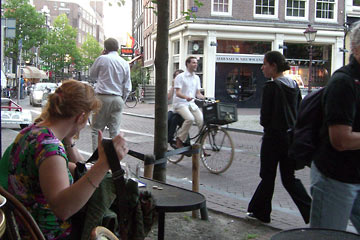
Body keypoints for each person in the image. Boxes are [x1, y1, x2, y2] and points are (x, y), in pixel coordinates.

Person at [1, 79, 128, 239]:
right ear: (81, 117)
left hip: (21, 227)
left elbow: (71, 168)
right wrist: (103, 165)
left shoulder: (31, 133)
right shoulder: (50, 148)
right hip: (46, 234)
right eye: (87, 118)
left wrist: (68, 138)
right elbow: (63, 209)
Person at [247, 51, 311, 224]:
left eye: (265, 64)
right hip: (290, 138)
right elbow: (299, 110)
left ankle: (262, 212)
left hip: (273, 138)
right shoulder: (294, 85)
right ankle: (311, 211)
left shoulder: (271, 87)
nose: (262, 68)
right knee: (289, 179)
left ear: (273, 66)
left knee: (268, 176)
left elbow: (264, 118)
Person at [309, 22, 360, 233]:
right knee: (328, 236)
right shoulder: (343, 83)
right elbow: (340, 140)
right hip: (336, 178)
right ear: (357, 49)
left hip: (355, 173)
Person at [90, 37, 132, 151]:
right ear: (118, 48)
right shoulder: (124, 63)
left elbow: (92, 75)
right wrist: (122, 99)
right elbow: (127, 86)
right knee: (115, 132)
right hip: (117, 98)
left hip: (102, 97)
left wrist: (101, 56)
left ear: (105, 48)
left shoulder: (102, 59)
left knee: (96, 130)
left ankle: (97, 159)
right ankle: (114, 161)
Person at [173, 56, 205, 149]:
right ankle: (179, 139)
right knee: (190, 119)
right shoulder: (180, 77)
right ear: (188, 64)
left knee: (201, 121)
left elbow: (198, 94)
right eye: (193, 62)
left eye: (196, 62)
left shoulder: (196, 78)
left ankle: (200, 146)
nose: (196, 64)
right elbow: (178, 93)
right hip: (180, 103)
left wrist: (206, 98)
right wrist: (186, 97)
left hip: (191, 103)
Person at [167, 69, 184, 146]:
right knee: (166, 119)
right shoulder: (173, 87)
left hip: (182, 109)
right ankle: (166, 138)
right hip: (174, 109)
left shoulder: (184, 86)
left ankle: (169, 138)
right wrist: (173, 86)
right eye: (176, 76)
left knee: (174, 120)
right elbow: (168, 97)